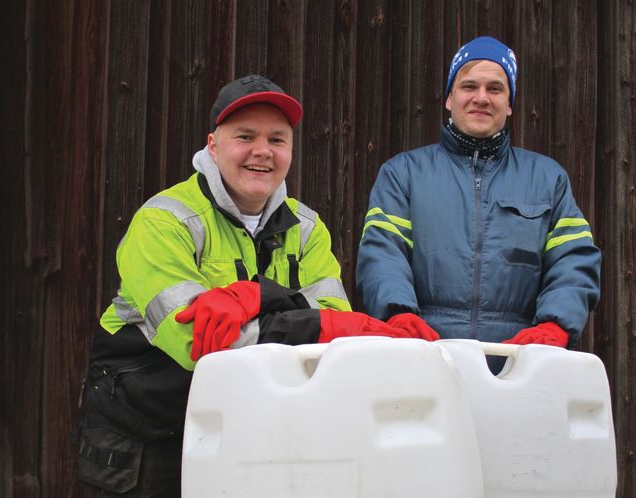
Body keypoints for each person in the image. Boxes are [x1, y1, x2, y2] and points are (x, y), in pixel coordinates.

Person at [77, 74, 411, 498]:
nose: (262, 152)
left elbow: (333, 328)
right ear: (213, 145)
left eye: (277, 139)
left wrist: (259, 296)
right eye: (245, 136)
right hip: (145, 436)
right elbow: (200, 345)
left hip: (249, 430)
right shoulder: (163, 221)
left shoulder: (307, 228)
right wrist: (310, 320)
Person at [356, 36, 601, 366]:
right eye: (469, 86)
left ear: (510, 103)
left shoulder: (548, 179)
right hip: (423, 360)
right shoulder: (403, 174)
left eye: (495, 89)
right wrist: (397, 314)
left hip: (519, 366)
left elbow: (574, 261)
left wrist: (555, 324)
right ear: (449, 98)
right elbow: (382, 254)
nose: (481, 98)